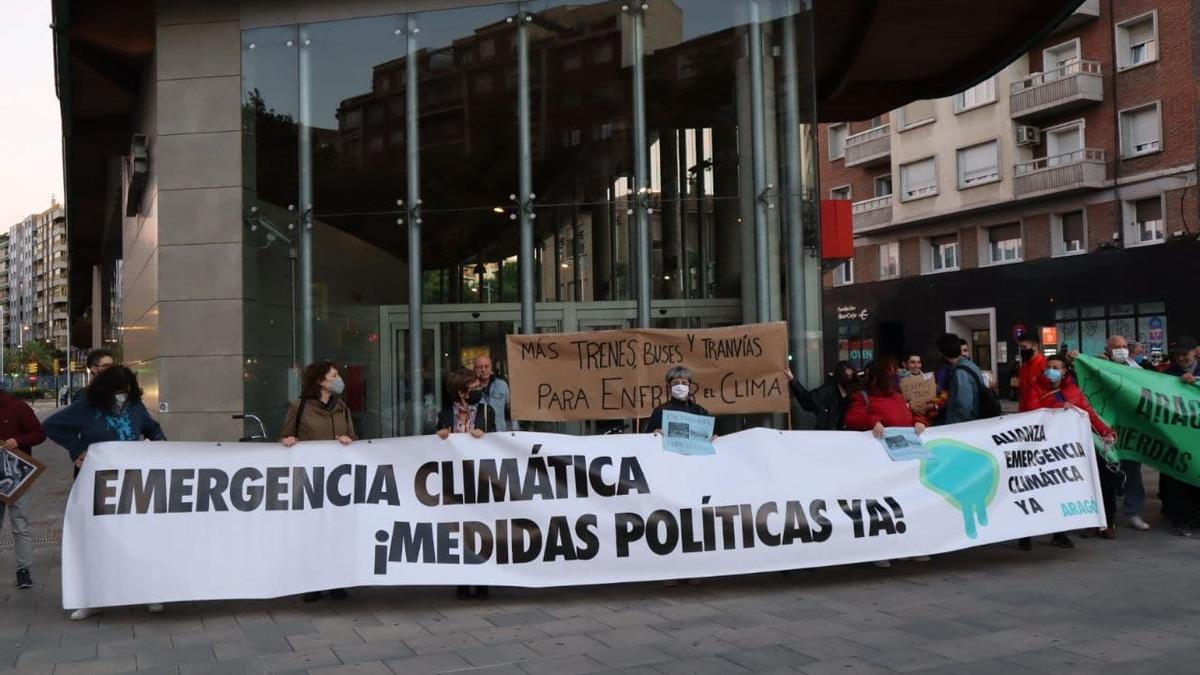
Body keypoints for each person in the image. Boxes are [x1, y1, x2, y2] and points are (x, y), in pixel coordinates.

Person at [43, 366, 167, 619]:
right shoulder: (86, 407)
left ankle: (151, 593)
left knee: (140, 539)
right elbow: (52, 426)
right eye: (118, 391)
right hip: (97, 484)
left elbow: (154, 430)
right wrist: (77, 450)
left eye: (127, 390)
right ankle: (94, 597)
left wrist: (161, 450)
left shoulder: (135, 407)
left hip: (135, 484)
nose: (123, 395)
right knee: (98, 540)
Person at [280, 361, 357, 602]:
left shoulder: (342, 407)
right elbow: (285, 435)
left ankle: (337, 581)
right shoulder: (300, 406)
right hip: (310, 482)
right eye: (334, 375)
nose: (339, 379)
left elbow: (354, 437)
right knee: (312, 533)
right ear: (320, 380)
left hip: (338, 481)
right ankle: (312, 582)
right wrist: (288, 441)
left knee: (336, 532)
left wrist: (348, 439)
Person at [1023, 354, 1119, 546]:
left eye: (1056, 367)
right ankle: (1025, 535)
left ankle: (1059, 533)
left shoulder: (1074, 390)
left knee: (1061, 490)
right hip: (1043, 447)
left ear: (1065, 370)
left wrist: (1105, 431)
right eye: (1049, 367)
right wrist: (1060, 407)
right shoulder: (1035, 388)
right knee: (1036, 490)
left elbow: (1089, 413)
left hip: (1066, 449)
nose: (1051, 370)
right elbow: (1031, 413)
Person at [843, 358, 928, 568]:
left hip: (901, 460)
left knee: (904, 504)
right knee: (881, 507)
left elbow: (907, 419)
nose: (896, 375)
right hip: (878, 463)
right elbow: (852, 419)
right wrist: (873, 422)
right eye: (891, 372)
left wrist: (920, 423)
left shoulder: (898, 397)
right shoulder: (863, 398)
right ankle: (881, 549)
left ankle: (907, 547)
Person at [436, 369, 494, 599]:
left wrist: (485, 435)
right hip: (455, 483)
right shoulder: (445, 414)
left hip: (480, 480)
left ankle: (483, 580)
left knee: (482, 530)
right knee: (460, 531)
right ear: (461, 393)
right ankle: (462, 579)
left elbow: (499, 442)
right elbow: (433, 446)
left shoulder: (486, 412)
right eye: (474, 388)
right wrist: (440, 435)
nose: (479, 391)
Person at [1099, 335, 1150, 532]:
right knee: (1105, 472)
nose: (1121, 349)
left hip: (1130, 429)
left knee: (1133, 471)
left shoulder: (1137, 370)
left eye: (1123, 346)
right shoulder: (1097, 364)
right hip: (1105, 428)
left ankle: (1134, 512)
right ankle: (1104, 515)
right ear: (1108, 349)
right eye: (1116, 347)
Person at [0, 387, 47, 590]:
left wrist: (19, 441)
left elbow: (39, 433)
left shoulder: (18, 408)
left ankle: (23, 570)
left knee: (20, 524)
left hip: (18, 475)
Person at [1162, 338, 1199, 536]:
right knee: (1178, 481)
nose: (1181, 358)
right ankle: (1182, 520)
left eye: (1185, 354)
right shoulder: (1168, 374)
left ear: (1196, 352)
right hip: (1177, 437)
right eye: (1178, 355)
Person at [786, 362, 857, 431]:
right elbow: (807, 401)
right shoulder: (828, 391)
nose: (849, 380)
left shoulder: (856, 393)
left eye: (851, 376)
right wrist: (792, 380)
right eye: (847, 376)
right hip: (828, 436)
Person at [935, 333, 987, 425]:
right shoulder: (970, 365)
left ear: (942, 353)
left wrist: (952, 425)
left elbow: (964, 407)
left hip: (966, 426)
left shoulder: (960, 373)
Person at [644, 366, 710, 434]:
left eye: (684, 383)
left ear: (689, 386)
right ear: (669, 387)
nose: (680, 386)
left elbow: (711, 435)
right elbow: (648, 438)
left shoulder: (700, 411)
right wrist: (654, 433)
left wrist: (714, 438)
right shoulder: (660, 411)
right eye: (675, 383)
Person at [474, 355, 514, 432]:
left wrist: (515, 431)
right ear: (474, 369)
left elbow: (511, 409)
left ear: (491, 367)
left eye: (486, 366)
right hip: (478, 434)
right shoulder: (470, 388)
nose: (483, 370)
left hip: (499, 433)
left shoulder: (502, 385)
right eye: (479, 367)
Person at [1017, 335, 1047, 413]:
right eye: (1020, 348)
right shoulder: (1023, 367)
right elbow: (1022, 393)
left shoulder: (1046, 365)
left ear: (1035, 346)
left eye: (1024, 347)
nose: (1022, 350)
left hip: (1041, 413)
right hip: (1026, 413)